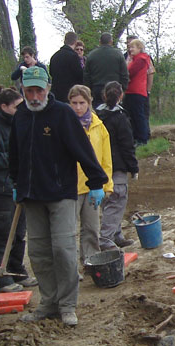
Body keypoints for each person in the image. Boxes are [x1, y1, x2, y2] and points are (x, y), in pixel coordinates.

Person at [9, 66, 107, 327]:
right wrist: (16, 182)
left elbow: (82, 148)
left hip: (61, 193)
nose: (34, 97)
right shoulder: (21, 115)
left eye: (39, 91)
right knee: (39, 252)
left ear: (48, 88)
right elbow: (15, 152)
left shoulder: (62, 114)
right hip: (32, 195)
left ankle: (67, 305)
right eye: (29, 91)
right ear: (22, 90)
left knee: (63, 250)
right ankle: (48, 302)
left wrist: (96, 181)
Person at [0, 86, 38, 292]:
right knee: (5, 234)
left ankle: (17, 270)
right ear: (4, 107)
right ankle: (1, 276)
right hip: (0, 189)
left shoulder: (20, 125)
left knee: (20, 233)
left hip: (20, 187)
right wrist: (18, 155)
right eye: (17, 106)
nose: (21, 109)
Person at [68, 84, 113, 263]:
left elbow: (105, 159)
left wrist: (107, 184)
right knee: (68, 231)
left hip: (93, 187)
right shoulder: (65, 124)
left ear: (89, 102)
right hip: (70, 187)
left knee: (92, 228)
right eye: (74, 103)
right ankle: (69, 266)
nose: (78, 107)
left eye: (82, 103)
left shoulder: (98, 126)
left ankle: (91, 261)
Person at [97, 81, 139, 250]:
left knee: (107, 203)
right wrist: (133, 167)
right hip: (116, 167)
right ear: (121, 96)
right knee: (116, 201)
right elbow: (127, 146)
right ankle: (105, 239)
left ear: (104, 95)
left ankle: (116, 235)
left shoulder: (96, 116)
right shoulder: (120, 118)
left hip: (98, 167)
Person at [84, 33, 129, 108]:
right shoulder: (118, 54)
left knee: (97, 111)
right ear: (111, 41)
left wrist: (89, 91)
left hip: (96, 89)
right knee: (114, 111)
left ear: (100, 42)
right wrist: (123, 89)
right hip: (115, 89)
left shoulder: (91, 55)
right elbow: (125, 74)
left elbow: (86, 76)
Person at [125, 38, 152, 146]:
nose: (130, 49)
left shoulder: (141, 59)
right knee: (133, 115)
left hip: (136, 91)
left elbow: (129, 72)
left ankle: (142, 138)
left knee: (138, 115)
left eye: (133, 47)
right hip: (131, 91)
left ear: (139, 48)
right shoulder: (136, 59)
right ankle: (136, 137)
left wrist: (128, 63)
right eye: (129, 47)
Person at [49, 32, 85, 103]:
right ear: (75, 42)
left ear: (64, 41)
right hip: (69, 95)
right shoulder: (73, 56)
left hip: (56, 95)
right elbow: (80, 75)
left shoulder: (54, 56)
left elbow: (51, 73)